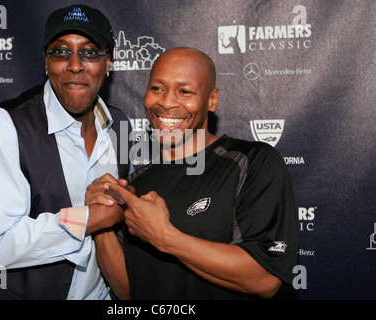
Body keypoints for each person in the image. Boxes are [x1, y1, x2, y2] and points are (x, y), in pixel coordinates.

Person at [86, 47, 299, 299]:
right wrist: (101, 225)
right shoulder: (135, 184)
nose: (166, 102)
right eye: (157, 88)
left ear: (212, 99)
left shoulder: (252, 162)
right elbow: (129, 292)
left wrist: (165, 237)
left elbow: (266, 278)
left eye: (185, 91)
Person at [0, 4, 132, 300]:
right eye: (61, 52)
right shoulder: (3, 124)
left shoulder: (121, 125)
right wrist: (91, 218)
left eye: (90, 52)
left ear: (108, 62)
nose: (75, 65)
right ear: (46, 61)